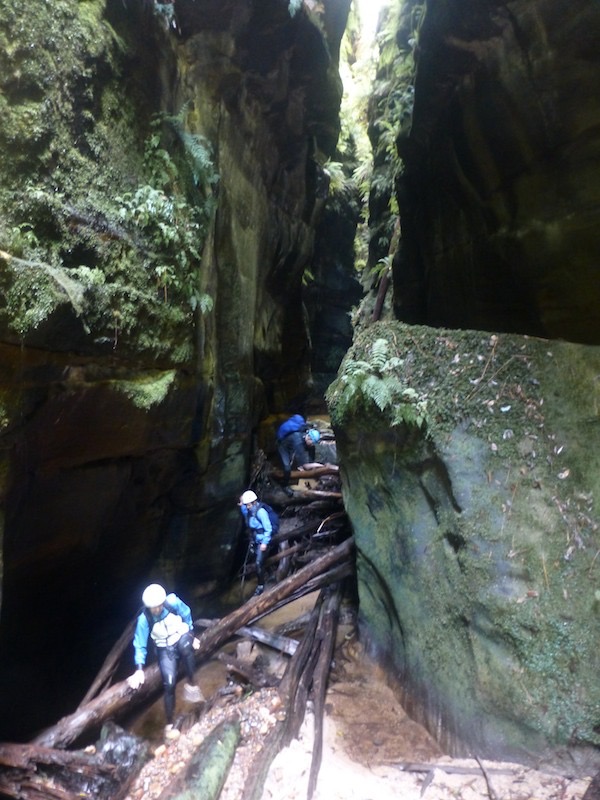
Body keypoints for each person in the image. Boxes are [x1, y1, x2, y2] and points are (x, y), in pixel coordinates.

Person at [127, 583, 204, 740]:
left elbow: (186, 613)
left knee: (186, 647)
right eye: (153, 607)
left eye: (158, 606)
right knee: (169, 683)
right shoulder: (144, 619)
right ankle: (169, 724)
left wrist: (192, 634)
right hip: (164, 648)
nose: (156, 609)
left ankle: (192, 684)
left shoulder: (172, 602)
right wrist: (139, 669)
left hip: (181, 636)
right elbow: (140, 644)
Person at [276, 414, 321, 496]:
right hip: (283, 446)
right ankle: (284, 485)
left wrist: (313, 467)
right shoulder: (298, 441)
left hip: (291, 444)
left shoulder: (306, 437)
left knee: (308, 450)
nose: (312, 445)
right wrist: (320, 465)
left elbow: (311, 458)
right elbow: (305, 466)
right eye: (312, 443)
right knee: (287, 468)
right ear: (308, 437)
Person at [239, 490, 273, 596]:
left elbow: (268, 529)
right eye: (246, 505)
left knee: (258, 563)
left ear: (254, 502)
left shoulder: (261, 512)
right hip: (255, 540)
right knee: (259, 561)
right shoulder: (249, 511)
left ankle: (260, 586)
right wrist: (242, 504)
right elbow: (245, 512)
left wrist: (265, 543)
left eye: (248, 505)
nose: (247, 507)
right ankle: (268, 573)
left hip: (262, 541)